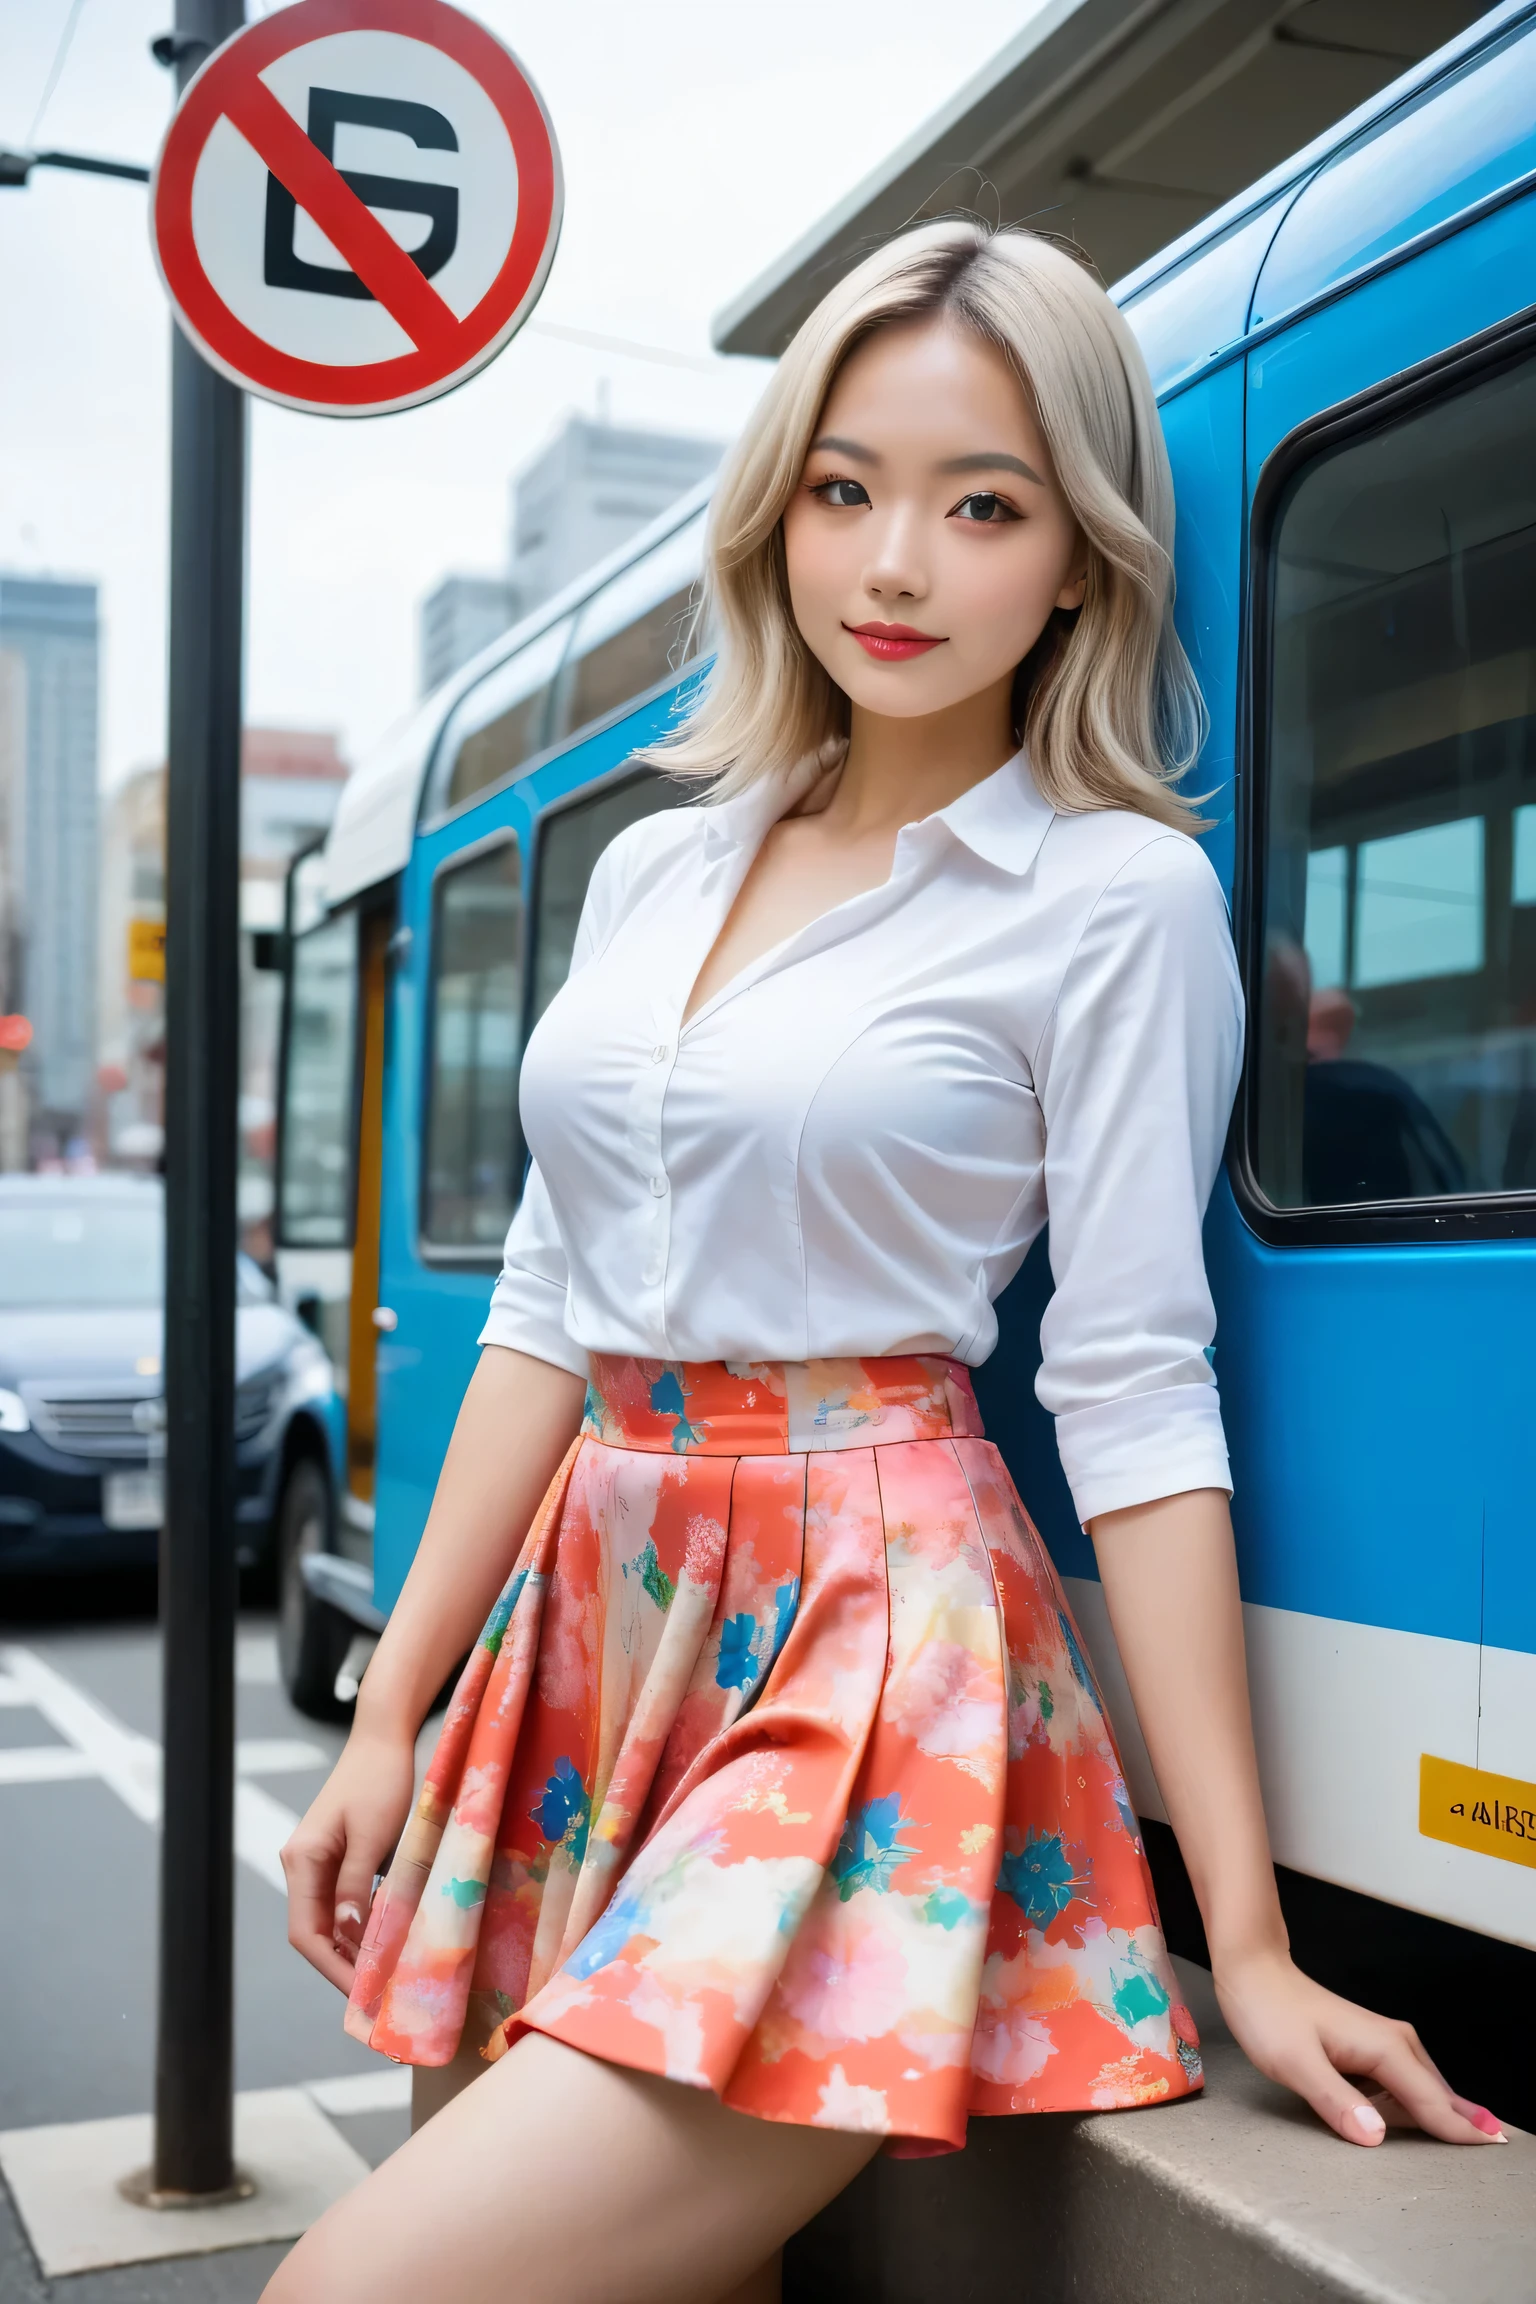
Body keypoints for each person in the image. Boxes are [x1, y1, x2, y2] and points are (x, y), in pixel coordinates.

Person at [265, 223, 1505, 2304]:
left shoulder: (1110, 897)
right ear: (780, 513)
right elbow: (550, 1312)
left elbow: (1135, 1387)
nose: (898, 566)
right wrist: (395, 1710)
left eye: (984, 505)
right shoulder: (656, 865)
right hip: (589, 1616)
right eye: (845, 489)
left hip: (874, 1634)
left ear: (1083, 555)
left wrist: (1255, 1939)